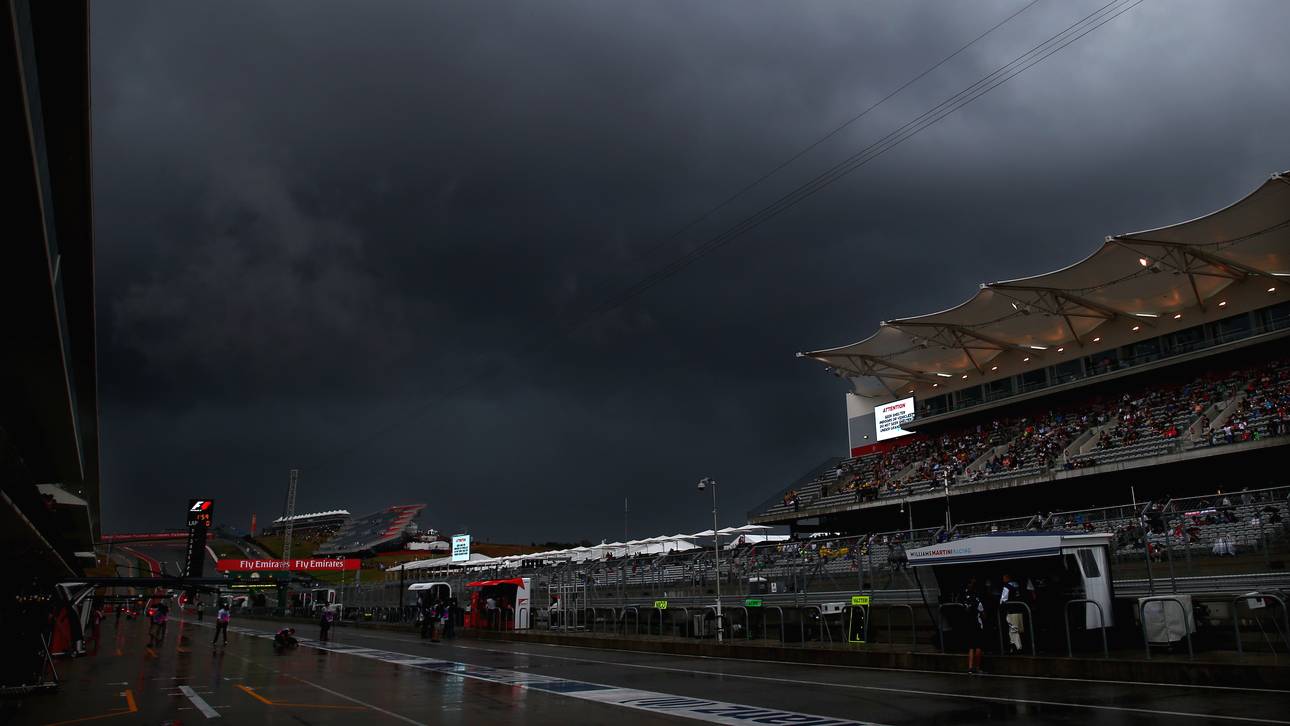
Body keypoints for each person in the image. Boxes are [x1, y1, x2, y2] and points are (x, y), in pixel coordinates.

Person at [961, 578, 985, 674]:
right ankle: (977, 667)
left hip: (968, 624)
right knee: (978, 646)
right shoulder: (977, 599)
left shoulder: (964, 599)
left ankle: (970, 667)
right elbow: (983, 613)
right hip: (977, 624)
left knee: (971, 647)